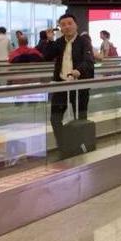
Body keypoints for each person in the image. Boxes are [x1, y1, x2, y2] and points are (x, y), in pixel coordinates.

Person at [43, 14, 95, 146]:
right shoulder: (59, 42)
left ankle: (80, 145)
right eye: (63, 24)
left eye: (70, 23)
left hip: (79, 86)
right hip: (61, 86)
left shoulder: (84, 41)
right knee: (55, 119)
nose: (67, 27)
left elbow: (89, 61)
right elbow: (47, 56)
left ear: (76, 25)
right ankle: (64, 145)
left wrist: (78, 71)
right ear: (60, 28)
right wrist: (49, 40)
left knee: (80, 118)